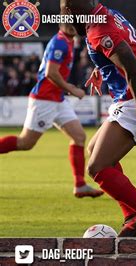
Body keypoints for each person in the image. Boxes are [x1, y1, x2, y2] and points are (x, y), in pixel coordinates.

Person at [61, 0, 136, 237]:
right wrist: (103, 68)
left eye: (64, 13)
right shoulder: (106, 14)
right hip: (132, 95)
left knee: (97, 167)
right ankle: (132, 216)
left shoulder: (97, 31)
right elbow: (127, 45)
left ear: (72, 12)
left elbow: (132, 67)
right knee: (94, 150)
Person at [0, 24, 103, 199]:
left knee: (79, 136)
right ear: (61, 23)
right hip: (44, 100)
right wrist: (71, 88)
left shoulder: (68, 41)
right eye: (69, 23)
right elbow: (50, 73)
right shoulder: (60, 42)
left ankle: (79, 185)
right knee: (25, 143)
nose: (73, 26)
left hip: (58, 99)